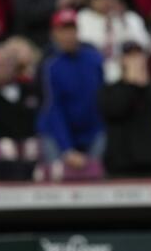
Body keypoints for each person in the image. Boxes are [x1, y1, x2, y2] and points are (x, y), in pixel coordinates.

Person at [36, 9, 104, 168]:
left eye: (71, 29)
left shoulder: (94, 59)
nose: (68, 35)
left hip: (91, 130)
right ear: (54, 34)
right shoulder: (50, 66)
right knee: (56, 173)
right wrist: (67, 148)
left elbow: (100, 99)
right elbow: (53, 107)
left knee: (97, 165)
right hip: (56, 131)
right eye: (63, 30)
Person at [98, 42, 151, 177]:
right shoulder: (110, 90)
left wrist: (144, 84)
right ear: (121, 60)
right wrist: (131, 84)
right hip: (120, 164)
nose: (135, 61)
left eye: (138, 56)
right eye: (130, 56)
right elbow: (115, 110)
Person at [76, 0, 151, 84]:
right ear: (89, 0)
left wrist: (124, 22)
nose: (106, 0)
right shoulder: (81, 18)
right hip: (93, 75)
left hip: (126, 77)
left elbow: (146, 46)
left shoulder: (129, 18)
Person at [0, 45, 40, 142]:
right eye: (1, 65)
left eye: (9, 64)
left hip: (32, 144)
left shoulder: (31, 90)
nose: (5, 69)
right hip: (1, 148)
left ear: (16, 67)